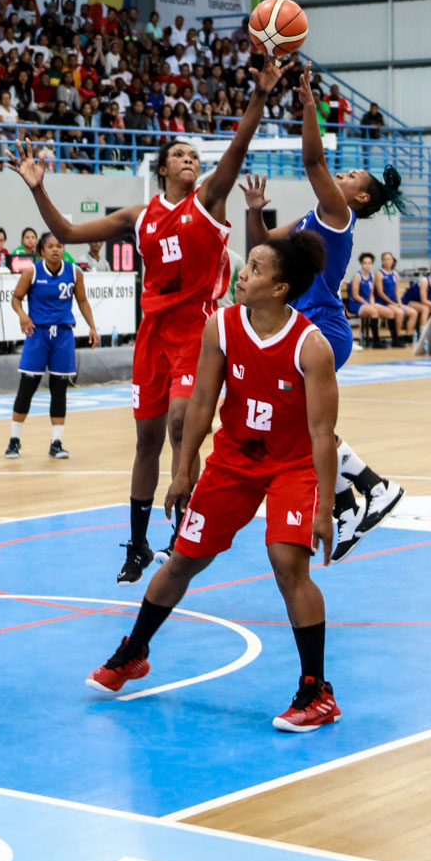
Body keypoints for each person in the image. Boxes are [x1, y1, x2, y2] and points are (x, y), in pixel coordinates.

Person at [9, 55, 285, 585]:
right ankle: (137, 546)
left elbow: (236, 150)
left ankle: (186, 529)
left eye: (192, 155)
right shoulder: (139, 218)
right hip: (153, 338)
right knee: (146, 443)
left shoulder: (209, 201)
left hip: (198, 336)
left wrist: (260, 94)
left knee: (185, 426)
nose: (189, 159)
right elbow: (65, 233)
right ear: (162, 167)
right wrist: (38, 187)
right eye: (179, 154)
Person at [86, 234, 342, 732]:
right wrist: (184, 468)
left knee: (288, 564)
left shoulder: (312, 346)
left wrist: (324, 507)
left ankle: (317, 691)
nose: (242, 274)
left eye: (255, 269)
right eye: (246, 265)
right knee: (183, 559)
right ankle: (133, 652)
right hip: (233, 461)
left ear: (280, 288)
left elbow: (321, 433)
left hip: (292, 466)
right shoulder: (220, 326)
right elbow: (202, 402)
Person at [240, 64, 406, 562]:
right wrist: (254, 209)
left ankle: (371, 491)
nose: (343, 172)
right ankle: (357, 499)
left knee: (300, 425)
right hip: (305, 327)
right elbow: (263, 247)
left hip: (323, 330)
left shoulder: (338, 213)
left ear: (359, 197)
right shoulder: (315, 216)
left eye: (352, 175)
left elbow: (313, 158)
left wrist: (308, 101)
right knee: (295, 426)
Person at [5, 232, 98, 461]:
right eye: (51, 246)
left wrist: (92, 327)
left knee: (60, 389)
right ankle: (14, 440)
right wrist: (22, 316)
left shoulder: (74, 272)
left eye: (59, 246)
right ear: (42, 251)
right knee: (27, 387)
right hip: (38, 334)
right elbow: (16, 298)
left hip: (63, 335)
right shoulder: (32, 272)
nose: (56, 250)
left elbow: (82, 301)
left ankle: (56, 442)